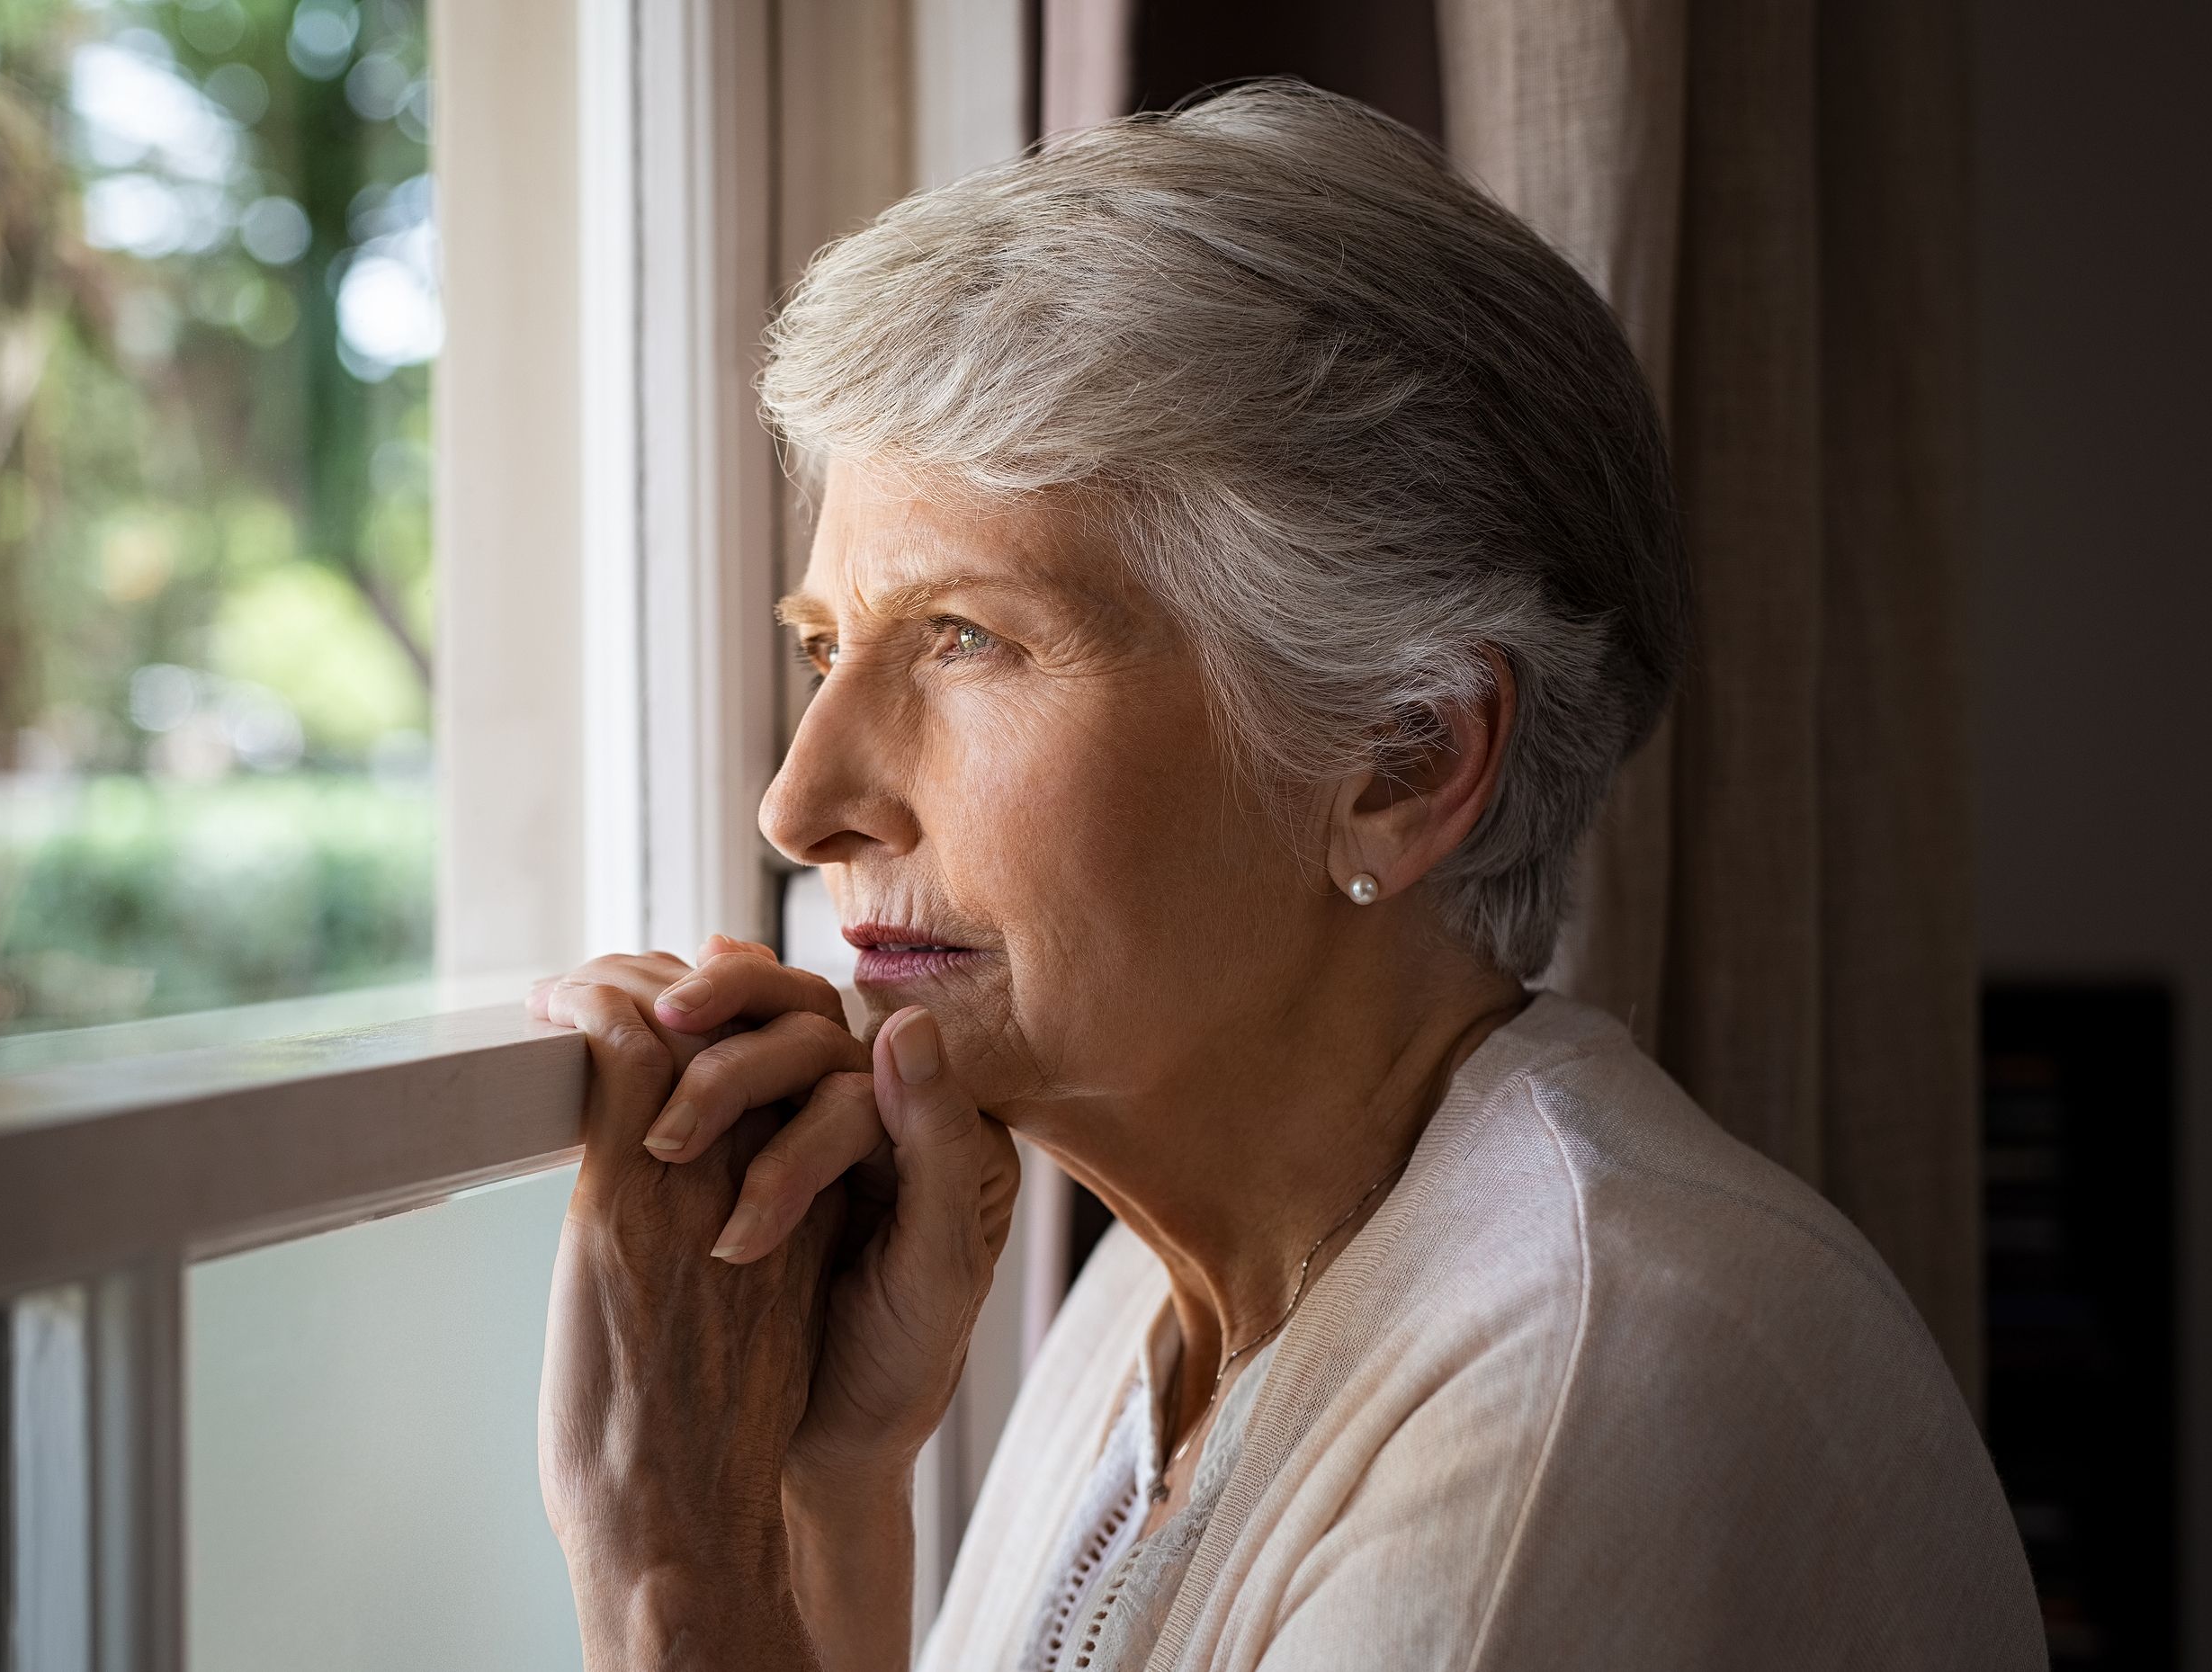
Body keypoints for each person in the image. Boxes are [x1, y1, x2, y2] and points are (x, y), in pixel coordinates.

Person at [530, 82, 2043, 1671]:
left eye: (966, 640)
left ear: (1400, 761)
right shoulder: (1155, 1306)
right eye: (828, 648)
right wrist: (830, 1493)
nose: (800, 804)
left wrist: (672, 1574)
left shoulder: (1585, 1375)